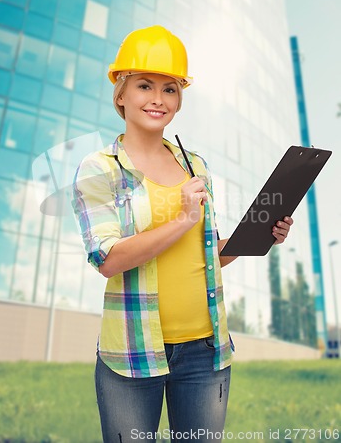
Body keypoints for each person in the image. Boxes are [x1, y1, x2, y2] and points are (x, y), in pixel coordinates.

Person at [72, 25, 293, 443]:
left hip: (206, 352)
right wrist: (180, 220)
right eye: (144, 85)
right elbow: (108, 260)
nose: (158, 98)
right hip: (133, 357)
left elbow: (206, 256)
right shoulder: (99, 168)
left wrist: (260, 236)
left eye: (170, 89)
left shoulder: (196, 166)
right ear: (120, 94)